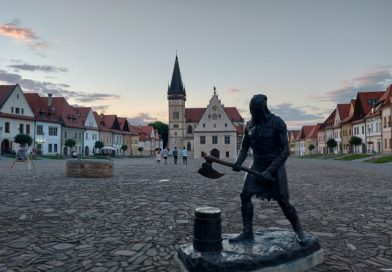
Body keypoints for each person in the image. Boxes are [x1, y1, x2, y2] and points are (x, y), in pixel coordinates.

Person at [230, 94, 306, 244]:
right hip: (257, 164)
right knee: (245, 195)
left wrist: (270, 170)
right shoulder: (250, 125)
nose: (253, 113)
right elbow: (244, 147)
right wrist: (238, 162)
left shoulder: (277, 123)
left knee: (284, 201)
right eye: (251, 110)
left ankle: (299, 231)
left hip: (275, 167)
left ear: (263, 109)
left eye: (255, 110)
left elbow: (285, 151)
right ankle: (247, 232)